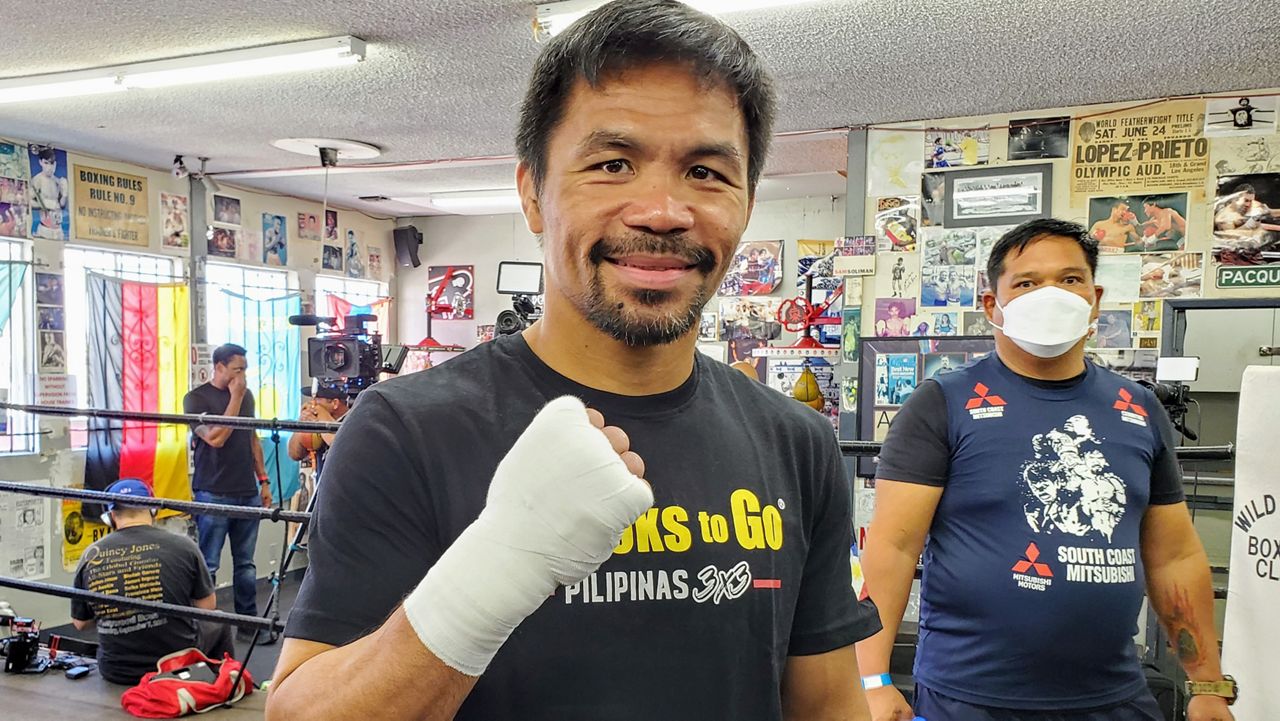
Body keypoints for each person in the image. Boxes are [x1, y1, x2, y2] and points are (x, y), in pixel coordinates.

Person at [267, 2, 880, 719]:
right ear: (532, 192)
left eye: (707, 172)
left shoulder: (797, 441)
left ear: (745, 200)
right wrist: (499, 560)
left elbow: (829, 702)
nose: (662, 211)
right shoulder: (406, 430)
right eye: (613, 163)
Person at [857, 219, 1235, 720]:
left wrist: (1207, 684)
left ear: (1095, 298)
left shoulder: (1138, 408)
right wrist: (872, 680)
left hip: (1113, 697)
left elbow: (1174, 556)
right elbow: (892, 548)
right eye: (1027, 283)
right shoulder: (942, 404)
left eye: (1070, 279)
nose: (1051, 294)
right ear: (994, 305)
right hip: (971, 699)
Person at [71, 479, 234, 685]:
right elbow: (207, 607)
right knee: (221, 621)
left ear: (111, 517)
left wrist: (118, 608)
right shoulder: (184, 545)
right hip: (173, 664)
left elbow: (80, 623)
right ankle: (221, 685)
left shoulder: (91, 555)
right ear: (153, 510)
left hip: (116, 670)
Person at [183, 343, 271, 628]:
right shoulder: (195, 399)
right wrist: (235, 397)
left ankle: (248, 622)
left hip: (246, 491)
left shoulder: (247, 397)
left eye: (244, 369)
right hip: (213, 492)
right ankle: (202, 627)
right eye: (237, 369)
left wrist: (263, 480)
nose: (242, 376)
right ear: (219, 367)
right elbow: (216, 438)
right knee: (209, 564)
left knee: (246, 565)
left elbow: (251, 438)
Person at [286, 382, 350, 481]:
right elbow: (295, 454)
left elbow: (343, 450)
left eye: (317, 399)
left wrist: (323, 420)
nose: (312, 404)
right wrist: (302, 423)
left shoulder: (352, 421)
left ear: (335, 403)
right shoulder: (317, 422)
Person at [30, 147, 67, 240]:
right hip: (45, 229)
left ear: (55, 164)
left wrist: (65, 193)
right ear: (41, 162)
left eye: (52, 163)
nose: (49, 167)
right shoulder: (37, 180)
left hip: (59, 229)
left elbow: (62, 205)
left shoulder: (58, 181)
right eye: (46, 163)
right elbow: (29, 202)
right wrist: (46, 203)